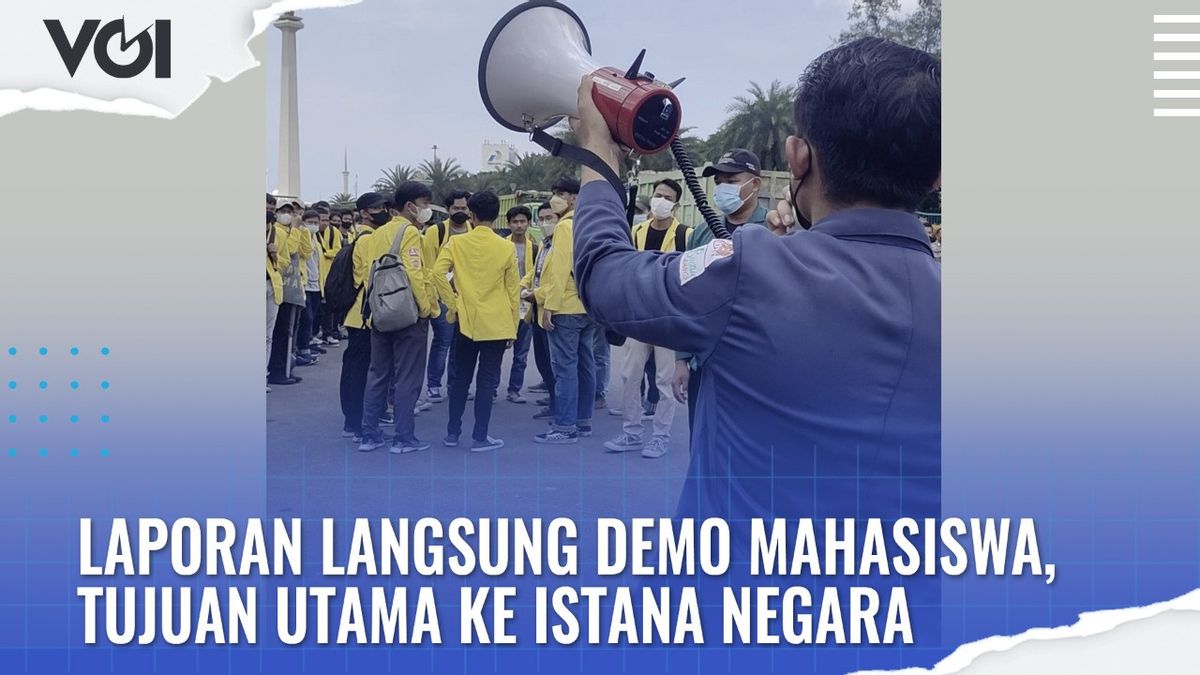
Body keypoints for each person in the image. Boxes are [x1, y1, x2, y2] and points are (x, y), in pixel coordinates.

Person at [570, 32, 941, 581]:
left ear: (798, 157)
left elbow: (604, 276)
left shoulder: (749, 269)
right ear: (936, 177)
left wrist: (598, 155)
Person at [671, 148, 770, 432]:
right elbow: (688, 295)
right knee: (702, 440)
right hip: (705, 360)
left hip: (753, 363)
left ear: (755, 184)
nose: (723, 187)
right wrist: (681, 359)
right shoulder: (702, 234)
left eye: (732, 179)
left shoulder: (774, 230)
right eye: (719, 181)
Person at [602, 178, 690, 459]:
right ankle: (631, 432)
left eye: (666, 197)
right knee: (630, 375)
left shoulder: (684, 235)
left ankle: (660, 437)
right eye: (657, 195)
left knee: (665, 380)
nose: (659, 200)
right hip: (638, 314)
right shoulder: (635, 231)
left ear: (675, 204)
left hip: (667, 316)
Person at [355, 182, 439, 453]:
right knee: (407, 377)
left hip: (380, 311)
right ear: (409, 206)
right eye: (424, 204)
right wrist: (425, 309)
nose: (426, 209)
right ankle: (404, 438)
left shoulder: (377, 234)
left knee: (378, 373)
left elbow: (370, 272)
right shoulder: (410, 232)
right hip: (406, 313)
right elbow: (415, 273)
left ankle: (369, 434)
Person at [432, 191, 519, 452]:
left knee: (460, 379)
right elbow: (512, 290)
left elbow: (437, 273)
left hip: (465, 320)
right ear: (497, 215)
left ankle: (452, 432)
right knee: (487, 380)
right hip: (497, 322)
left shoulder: (456, 244)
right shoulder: (506, 246)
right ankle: (480, 436)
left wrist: (453, 303)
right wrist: (513, 327)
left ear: (472, 213)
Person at [533, 176, 596, 444]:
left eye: (560, 193)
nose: (555, 198)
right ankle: (583, 420)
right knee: (586, 364)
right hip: (588, 304)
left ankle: (565, 426)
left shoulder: (564, 227)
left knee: (565, 369)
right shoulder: (590, 222)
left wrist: (550, 306)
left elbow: (559, 270)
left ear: (573, 198)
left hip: (566, 305)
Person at [338, 192, 390, 442]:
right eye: (378, 207)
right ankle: (356, 423)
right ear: (365, 212)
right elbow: (373, 278)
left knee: (354, 368)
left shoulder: (362, 236)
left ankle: (353, 419)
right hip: (364, 316)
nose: (384, 211)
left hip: (356, 315)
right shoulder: (369, 239)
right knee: (361, 371)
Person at [423, 189, 473, 403]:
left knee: (460, 344)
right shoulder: (437, 231)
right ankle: (434, 385)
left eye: (463, 208)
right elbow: (428, 267)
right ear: (447, 209)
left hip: (466, 296)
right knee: (443, 341)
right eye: (456, 208)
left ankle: (455, 385)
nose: (460, 212)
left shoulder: (473, 230)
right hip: (442, 296)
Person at [267, 200, 312, 385]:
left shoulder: (291, 230)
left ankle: (284, 367)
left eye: (291, 212)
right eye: (283, 211)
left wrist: (302, 230)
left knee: (289, 330)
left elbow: (305, 251)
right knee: (279, 332)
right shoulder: (275, 230)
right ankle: (277, 370)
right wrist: (294, 230)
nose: (288, 215)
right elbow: (290, 250)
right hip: (281, 285)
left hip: (294, 285)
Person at [524, 202, 558, 420]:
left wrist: (536, 294)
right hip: (537, 309)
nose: (546, 223)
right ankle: (554, 397)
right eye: (542, 219)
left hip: (551, 310)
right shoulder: (544, 244)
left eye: (550, 218)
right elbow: (535, 273)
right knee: (542, 359)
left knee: (556, 362)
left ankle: (560, 405)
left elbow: (560, 281)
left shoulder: (562, 245)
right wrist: (522, 286)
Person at [503, 205, 538, 404]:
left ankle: (514, 389)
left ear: (528, 223)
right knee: (497, 349)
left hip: (526, 304)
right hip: (504, 303)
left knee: (521, 352)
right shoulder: (501, 245)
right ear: (508, 224)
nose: (519, 225)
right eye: (515, 222)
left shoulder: (535, 247)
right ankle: (490, 389)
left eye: (522, 221)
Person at [316, 208, 343, 345]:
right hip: (316, 274)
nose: (325, 223)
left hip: (329, 275)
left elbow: (338, 251)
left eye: (327, 220)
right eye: (323, 220)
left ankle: (329, 333)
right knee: (316, 308)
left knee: (329, 307)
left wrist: (325, 253)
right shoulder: (311, 232)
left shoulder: (334, 232)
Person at [265, 194, 283, 393]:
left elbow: (286, 262)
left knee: (267, 336)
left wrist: (274, 254)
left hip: (270, 285)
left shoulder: (277, 233)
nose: (268, 210)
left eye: (272, 207)